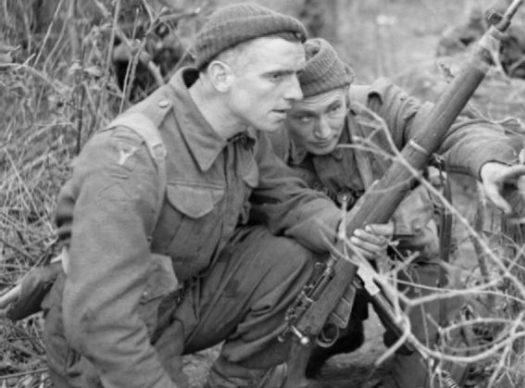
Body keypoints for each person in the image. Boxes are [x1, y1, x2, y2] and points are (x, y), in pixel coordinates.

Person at [41, 4, 393, 388]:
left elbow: (290, 201)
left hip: (177, 305)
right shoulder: (129, 157)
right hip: (106, 340)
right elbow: (99, 320)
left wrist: (344, 229)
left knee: (298, 256)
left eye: (294, 75)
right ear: (222, 77)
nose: (294, 93)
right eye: (276, 76)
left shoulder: (242, 131)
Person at [270, 38, 525, 388]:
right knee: (277, 371)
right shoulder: (268, 134)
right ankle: (344, 329)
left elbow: (453, 128)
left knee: (422, 380)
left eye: (333, 110)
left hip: (410, 258)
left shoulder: (380, 109)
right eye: (304, 117)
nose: (322, 130)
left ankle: (434, 335)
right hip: (325, 264)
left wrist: (488, 164)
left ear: (347, 96)